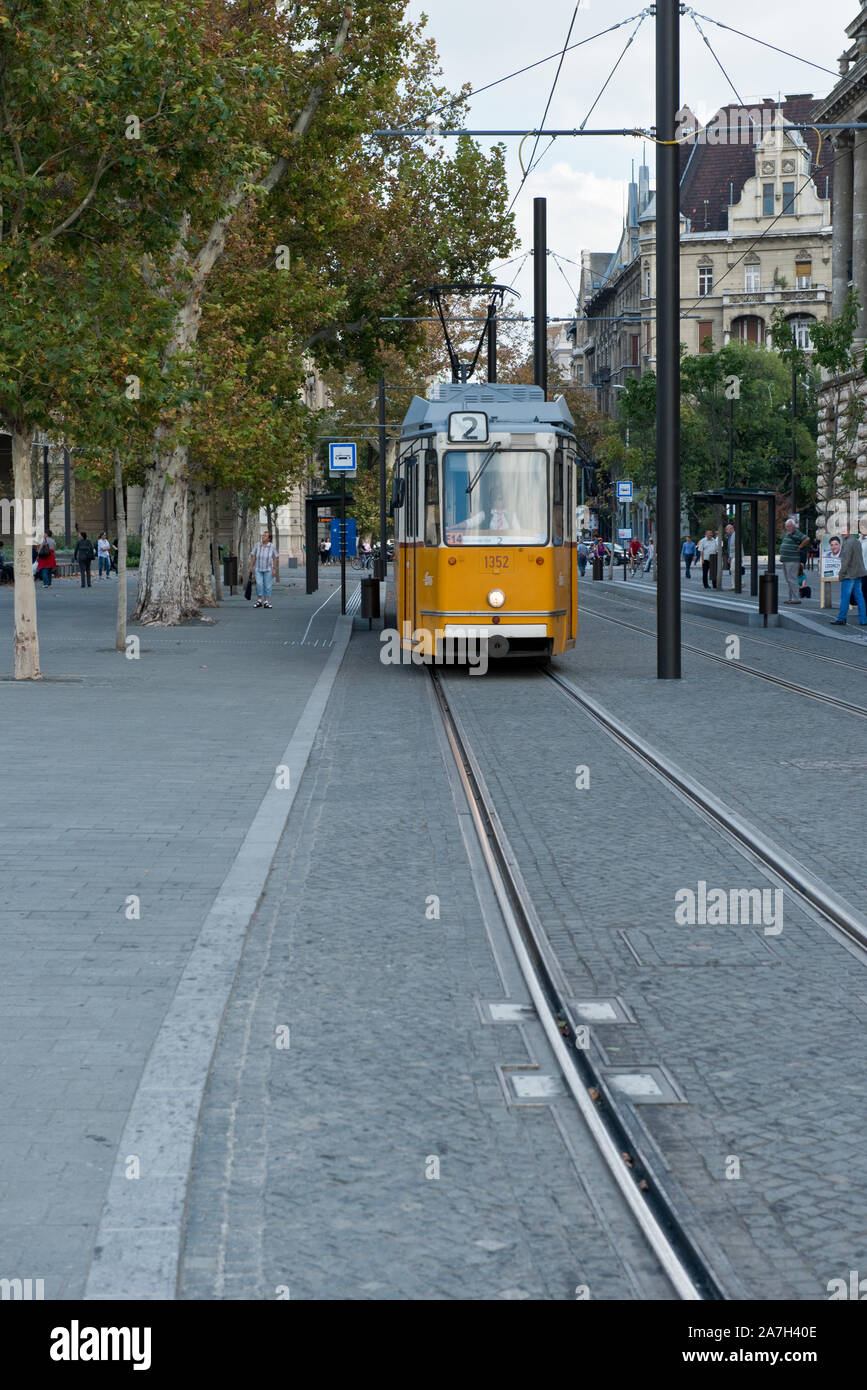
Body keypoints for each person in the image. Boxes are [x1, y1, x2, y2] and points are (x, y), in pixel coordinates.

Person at [830, 528, 867, 626]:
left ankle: (841, 618)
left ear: (849, 531)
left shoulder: (847, 543)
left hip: (849, 574)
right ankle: (863, 619)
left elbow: (845, 561)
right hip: (859, 573)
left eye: (844, 531)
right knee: (860, 597)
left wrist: (841, 574)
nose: (842, 533)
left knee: (845, 597)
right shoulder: (856, 541)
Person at [779, 517, 809, 604]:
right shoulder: (788, 533)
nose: (787, 528)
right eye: (786, 526)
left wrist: (800, 547)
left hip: (792, 560)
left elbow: (806, 539)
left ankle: (796, 598)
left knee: (792, 579)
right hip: (786, 559)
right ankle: (791, 598)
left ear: (793, 526)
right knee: (789, 579)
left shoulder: (796, 533)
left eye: (789, 526)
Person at [250, 528, 278, 609]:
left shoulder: (272, 546)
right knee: (259, 584)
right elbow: (254, 556)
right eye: (263, 535)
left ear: (269, 538)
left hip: (268, 569)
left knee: (267, 585)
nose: (263, 537)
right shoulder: (257, 545)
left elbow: (275, 557)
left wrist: (274, 569)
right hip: (258, 568)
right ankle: (259, 601)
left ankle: (266, 601)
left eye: (265, 536)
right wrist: (251, 566)